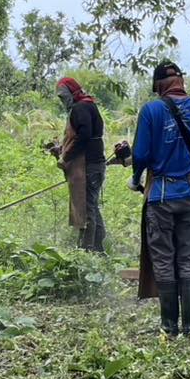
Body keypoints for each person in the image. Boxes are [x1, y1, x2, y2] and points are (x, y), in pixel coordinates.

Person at [131, 61, 190, 337]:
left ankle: (169, 326)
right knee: (188, 257)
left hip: (160, 195)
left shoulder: (151, 110)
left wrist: (135, 178)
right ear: (181, 81)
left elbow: (140, 154)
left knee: (163, 258)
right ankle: (189, 327)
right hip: (189, 195)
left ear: (159, 85)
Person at [55, 77, 107, 252]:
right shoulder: (88, 105)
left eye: (63, 96)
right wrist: (62, 149)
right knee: (91, 206)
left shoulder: (81, 108)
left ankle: (86, 251)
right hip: (95, 164)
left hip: (88, 165)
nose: (63, 100)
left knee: (86, 209)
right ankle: (98, 248)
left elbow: (84, 135)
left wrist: (66, 157)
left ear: (71, 93)